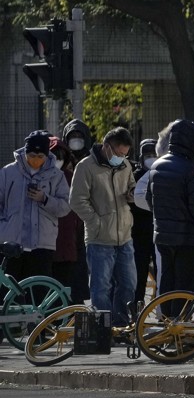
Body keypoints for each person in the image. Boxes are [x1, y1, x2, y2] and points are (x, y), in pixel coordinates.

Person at [69, 127, 137, 326]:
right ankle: (103, 329)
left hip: (125, 236)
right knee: (100, 288)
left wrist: (132, 193)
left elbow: (131, 184)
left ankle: (121, 324)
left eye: (126, 154)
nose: (122, 158)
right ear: (107, 147)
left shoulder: (125, 166)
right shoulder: (85, 167)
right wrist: (95, 221)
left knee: (128, 285)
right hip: (99, 239)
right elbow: (76, 200)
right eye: (119, 153)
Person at [147, 120, 194, 313]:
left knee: (167, 279)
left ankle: (166, 321)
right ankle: (180, 323)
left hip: (163, 234)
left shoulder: (157, 166)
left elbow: (150, 199)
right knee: (185, 285)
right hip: (187, 237)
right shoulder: (191, 169)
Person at [0, 130, 71, 280]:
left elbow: (65, 206)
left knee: (38, 292)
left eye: (40, 156)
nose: (36, 160)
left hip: (42, 244)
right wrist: (4, 226)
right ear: (25, 152)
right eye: (32, 156)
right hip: (11, 243)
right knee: (9, 294)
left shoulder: (56, 176)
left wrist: (44, 199)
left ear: (47, 155)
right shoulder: (8, 173)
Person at [61, 119, 93, 302]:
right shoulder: (61, 159)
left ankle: (78, 303)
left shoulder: (92, 160)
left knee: (82, 265)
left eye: (80, 136)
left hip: (86, 220)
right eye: (72, 136)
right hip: (67, 221)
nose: (76, 140)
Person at [49, 137, 84, 297]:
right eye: (54, 156)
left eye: (61, 157)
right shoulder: (41, 177)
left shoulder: (71, 176)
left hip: (68, 238)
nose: (58, 160)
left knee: (67, 281)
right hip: (47, 240)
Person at [130, 138, 158, 305]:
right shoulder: (134, 176)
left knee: (161, 273)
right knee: (138, 274)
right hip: (139, 233)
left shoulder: (162, 173)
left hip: (158, 231)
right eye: (147, 155)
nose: (151, 158)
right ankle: (136, 308)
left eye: (154, 154)